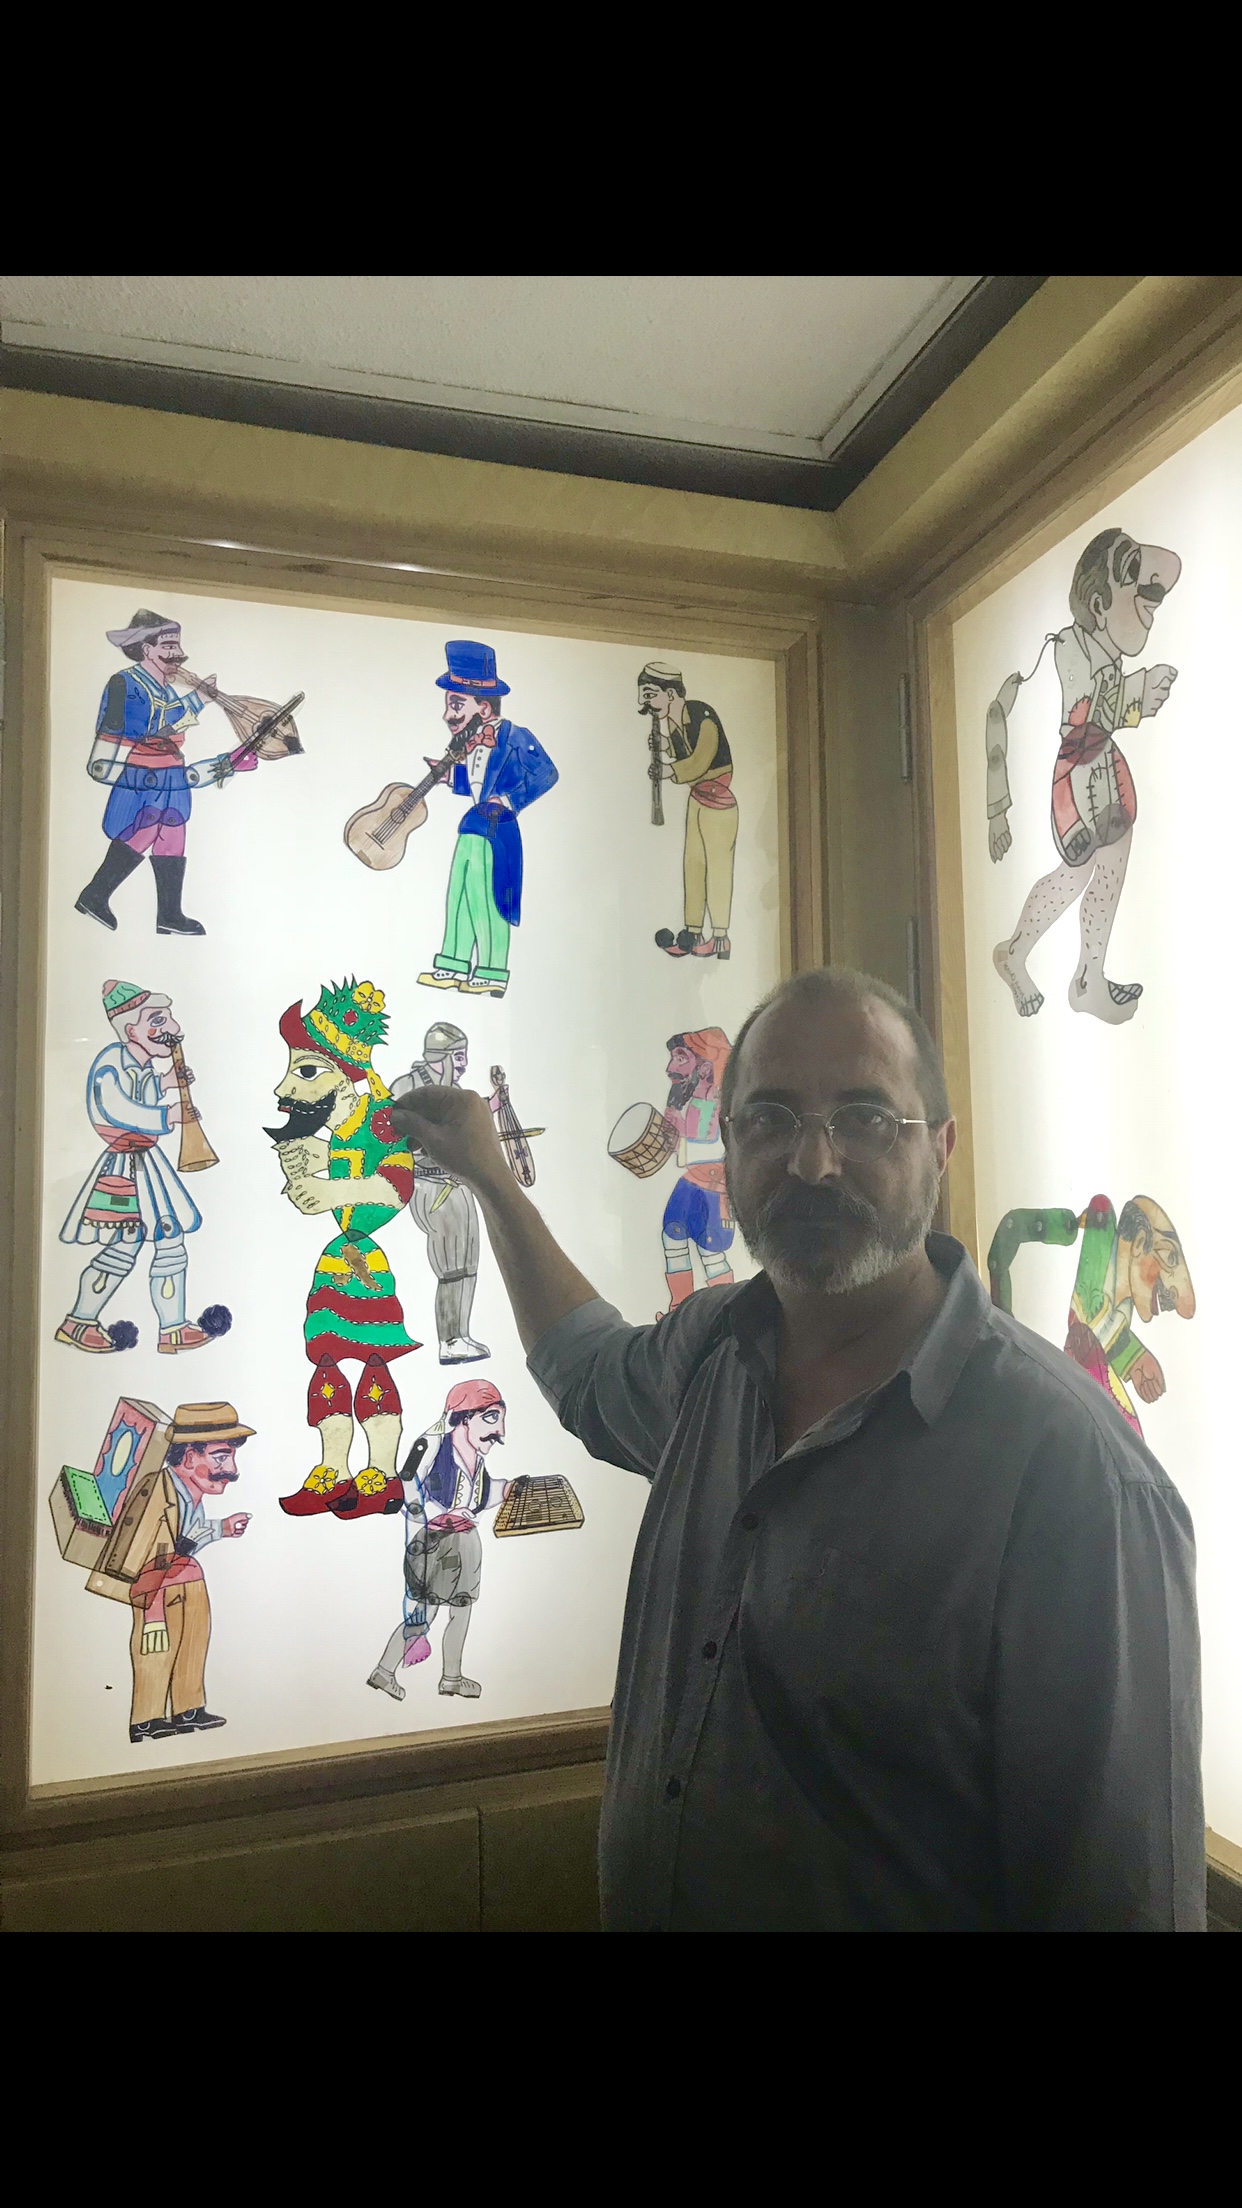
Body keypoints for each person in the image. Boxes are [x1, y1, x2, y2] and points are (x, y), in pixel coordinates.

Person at [389, 965, 1204, 1932]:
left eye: (865, 1118)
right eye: (772, 1119)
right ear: (729, 1144)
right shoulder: (712, 1358)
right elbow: (588, 1367)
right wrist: (488, 1176)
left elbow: (1121, 1900)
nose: (814, 1163)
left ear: (940, 1148)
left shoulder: (1078, 1477)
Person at [988, 530, 1180, 1024]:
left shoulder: (1100, 648)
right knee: (1079, 872)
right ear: (1099, 604)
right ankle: (1023, 956)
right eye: (1131, 583)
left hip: (1101, 765)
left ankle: (1085, 974)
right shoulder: (1069, 649)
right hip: (1081, 770)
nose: (1148, 602)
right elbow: (1081, 714)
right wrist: (996, 809)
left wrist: (1136, 693)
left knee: (1104, 865)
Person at [269, 978, 419, 1520]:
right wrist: (306, 1164)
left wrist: (333, 1192)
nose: (285, 1088)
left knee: (371, 1360)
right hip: (341, 1257)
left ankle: (381, 1473)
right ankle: (334, 1470)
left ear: (348, 1078)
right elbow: (335, 1164)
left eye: (307, 1072)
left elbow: (396, 1185)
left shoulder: (380, 1121)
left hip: (361, 1258)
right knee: (329, 1360)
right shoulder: (344, 1126)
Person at [57, 978, 227, 1354]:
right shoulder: (110, 1062)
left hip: (147, 1165)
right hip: (123, 1167)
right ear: (131, 1029)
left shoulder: (143, 1066)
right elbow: (117, 1107)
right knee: (126, 1242)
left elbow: (144, 1091)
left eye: (168, 1018)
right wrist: (169, 1115)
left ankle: (172, 1328)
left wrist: (167, 1081)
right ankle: (79, 1321)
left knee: (168, 1237)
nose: (171, 1028)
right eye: (158, 1020)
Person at [75, 608, 258, 937]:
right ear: (147, 649)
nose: (178, 653)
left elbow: (170, 736)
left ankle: (169, 914)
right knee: (146, 828)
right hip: (142, 781)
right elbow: (111, 755)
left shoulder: (167, 690)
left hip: (170, 778)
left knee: (173, 832)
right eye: (169, 645)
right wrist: (197, 700)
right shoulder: (126, 685)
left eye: (177, 645)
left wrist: (227, 763)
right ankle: (95, 894)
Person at [418, 641, 558, 1001]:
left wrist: (509, 800)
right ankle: (453, 964)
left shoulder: (515, 736)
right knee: (459, 897)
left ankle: (492, 971)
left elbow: (546, 774)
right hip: (472, 826)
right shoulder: (469, 741)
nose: (447, 715)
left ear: (483, 707)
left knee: (488, 900)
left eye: (455, 704)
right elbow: (481, 780)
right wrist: (452, 778)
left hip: (498, 830)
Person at [988, 1193, 1195, 1435]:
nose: (1169, 1299)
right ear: (1139, 1242)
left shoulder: (1123, 1306)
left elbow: (1103, 1329)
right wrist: (1135, 1357)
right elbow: (1088, 1320)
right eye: (1168, 1256)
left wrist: (1135, 1361)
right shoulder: (1102, 1227)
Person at [368, 1379, 509, 1702]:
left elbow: (479, 1496)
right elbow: (406, 1484)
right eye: (491, 1418)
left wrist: (507, 1488)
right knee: (425, 1613)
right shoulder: (433, 1445)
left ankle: (449, 1677)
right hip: (436, 1542)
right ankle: (387, 1671)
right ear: (464, 1417)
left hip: (465, 1541)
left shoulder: (476, 1456)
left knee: (459, 1611)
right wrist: (435, 1516)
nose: (499, 1431)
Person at [124, 1401, 253, 1744]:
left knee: (193, 1645)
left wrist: (222, 1528)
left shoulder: (191, 1492)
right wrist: (152, 1613)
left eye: (230, 1457)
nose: (231, 1469)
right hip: (156, 1589)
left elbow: (186, 1538)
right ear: (190, 1456)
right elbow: (147, 1553)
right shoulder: (157, 1490)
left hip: (188, 1583)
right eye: (221, 1458)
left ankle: (189, 1709)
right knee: (156, 1648)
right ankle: (147, 1719)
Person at [390, 1021, 489, 1363]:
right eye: (458, 1056)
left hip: (457, 1183)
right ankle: (450, 1339)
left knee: (468, 1264)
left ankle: (461, 1334)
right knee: (451, 1265)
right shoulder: (408, 1086)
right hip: (429, 1185)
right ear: (440, 1056)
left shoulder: (454, 1091)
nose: (464, 1064)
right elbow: (392, 1136)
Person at [638, 661, 738, 961]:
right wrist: (665, 746)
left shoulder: (701, 716)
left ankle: (720, 938)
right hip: (698, 798)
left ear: (670, 694)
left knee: (717, 870)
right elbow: (682, 749)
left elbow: (700, 760)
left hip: (719, 802)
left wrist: (669, 770)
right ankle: (693, 932)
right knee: (693, 865)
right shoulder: (672, 719)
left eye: (650, 695)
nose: (646, 704)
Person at [657, 1030, 734, 1308]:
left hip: (714, 1189)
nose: (671, 1067)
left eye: (681, 1058)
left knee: (711, 1252)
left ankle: (725, 1312)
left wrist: (682, 1146)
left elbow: (716, 1148)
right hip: (691, 1183)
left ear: (704, 1066)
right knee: (672, 1236)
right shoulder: (696, 1096)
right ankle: (679, 1308)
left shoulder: (722, 1101)